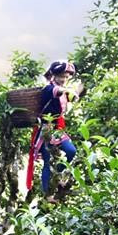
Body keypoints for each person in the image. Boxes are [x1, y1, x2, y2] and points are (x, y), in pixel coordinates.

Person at [26, 61, 82, 196]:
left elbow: (71, 97)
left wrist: (79, 89)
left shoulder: (63, 90)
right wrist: (68, 90)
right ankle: (47, 195)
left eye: (66, 77)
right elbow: (57, 91)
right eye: (61, 76)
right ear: (54, 75)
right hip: (45, 130)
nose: (64, 79)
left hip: (58, 130)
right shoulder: (48, 89)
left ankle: (58, 171)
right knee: (46, 162)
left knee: (71, 151)